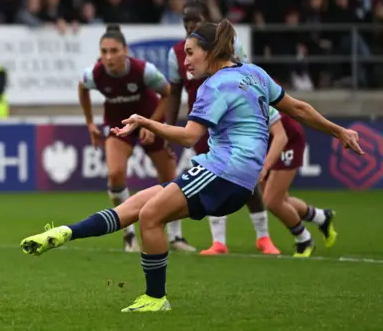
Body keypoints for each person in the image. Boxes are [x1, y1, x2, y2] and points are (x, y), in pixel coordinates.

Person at [20, 20, 363, 312]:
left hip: (223, 173)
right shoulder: (255, 73)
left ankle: (155, 297)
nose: (184, 61)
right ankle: (65, 233)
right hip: (234, 178)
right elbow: (298, 109)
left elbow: (187, 136)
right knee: (140, 204)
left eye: (189, 53)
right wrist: (338, 131)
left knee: (151, 217)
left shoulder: (213, 87)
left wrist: (144, 121)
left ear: (211, 52)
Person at [166, 0, 279, 255]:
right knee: (210, 176)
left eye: (195, 20)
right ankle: (218, 241)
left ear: (208, 20)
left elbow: (249, 80)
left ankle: (264, 237)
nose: (190, 25)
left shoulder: (232, 46)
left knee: (247, 180)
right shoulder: (177, 53)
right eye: (185, 21)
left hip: (233, 120)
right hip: (202, 121)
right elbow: (174, 92)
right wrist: (168, 126)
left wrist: (265, 116)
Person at [79, 24, 195, 253]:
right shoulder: (94, 74)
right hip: (118, 125)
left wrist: (151, 123)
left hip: (147, 122)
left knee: (169, 178)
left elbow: (167, 93)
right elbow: (82, 89)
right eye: (104, 51)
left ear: (125, 51)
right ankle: (129, 235)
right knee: (115, 175)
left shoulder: (145, 71)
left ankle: (175, 236)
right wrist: (90, 123)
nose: (109, 57)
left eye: (114, 51)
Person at [257, 107, 337, 256]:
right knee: (280, 198)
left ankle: (304, 240)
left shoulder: (252, 90)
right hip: (265, 139)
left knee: (272, 201)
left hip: (286, 139)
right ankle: (321, 217)